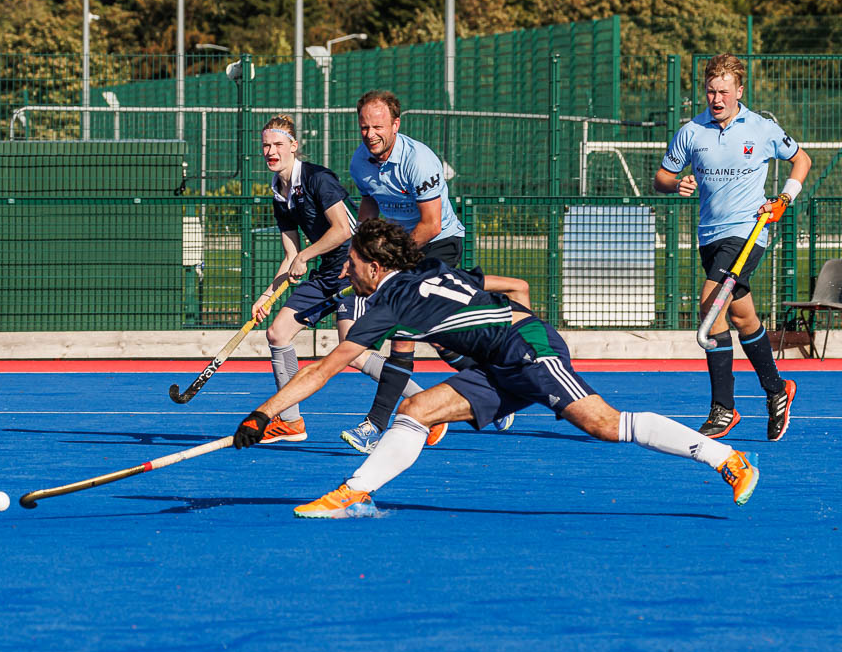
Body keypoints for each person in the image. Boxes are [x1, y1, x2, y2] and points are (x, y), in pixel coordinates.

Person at [231, 218, 762, 518]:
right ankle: (354, 492)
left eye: (351, 265)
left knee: (605, 424)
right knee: (418, 408)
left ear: (375, 266)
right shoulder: (429, 267)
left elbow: (324, 368)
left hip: (526, 347)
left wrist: (263, 412)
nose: (346, 273)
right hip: (500, 356)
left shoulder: (389, 302)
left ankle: (728, 459)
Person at [342, 90, 515, 454]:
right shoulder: (360, 161)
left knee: (402, 332)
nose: (370, 134)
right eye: (364, 127)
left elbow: (431, 225)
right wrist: (360, 249)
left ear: (396, 124)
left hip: (438, 242)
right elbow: (370, 201)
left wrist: (390, 260)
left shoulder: (419, 161)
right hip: (396, 246)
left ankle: (374, 425)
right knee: (439, 339)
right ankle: (497, 391)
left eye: (378, 126)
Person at [653, 53, 810, 442]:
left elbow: (801, 159)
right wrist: (676, 184)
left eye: (724, 91)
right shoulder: (691, 131)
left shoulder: (761, 128)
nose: (716, 98)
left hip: (749, 232)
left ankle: (723, 408)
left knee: (711, 303)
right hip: (710, 236)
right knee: (741, 318)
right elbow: (661, 177)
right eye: (711, 90)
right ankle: (777, 391)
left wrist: (784, 200)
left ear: (739, 90)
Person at [248, 115, 358, 444]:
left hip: (358, 268)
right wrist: (267, 295)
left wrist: (304, 257)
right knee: (278, 332)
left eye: (278, 144)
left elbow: (345, 230)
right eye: (266, 145)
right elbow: (290, 253)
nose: (271, 151)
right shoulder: (279, 194)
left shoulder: (317, 179)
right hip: (327, 270)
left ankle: (419, 402)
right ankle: (291, 422)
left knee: (354, 352)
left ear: (294, 147)